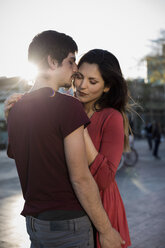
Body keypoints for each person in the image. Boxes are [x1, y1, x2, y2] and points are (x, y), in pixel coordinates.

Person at [6, 31, 125, 248]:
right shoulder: (67, 106)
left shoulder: (17, 108)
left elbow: (20, 153)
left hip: (35, 223)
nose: (75, 70)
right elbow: (80, 178)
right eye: (71, 62)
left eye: (91, 80)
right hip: (68, 222)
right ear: (52, 61)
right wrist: (107, 231)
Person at [73, 49, 132, 248]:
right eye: (79, 76)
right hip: (70, 208)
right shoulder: (67, 108)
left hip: (102, 207)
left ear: (107, 86)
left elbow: (105, 178)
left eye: (92, 81)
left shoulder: (112, 117)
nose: (81, 86)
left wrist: (80, 126)